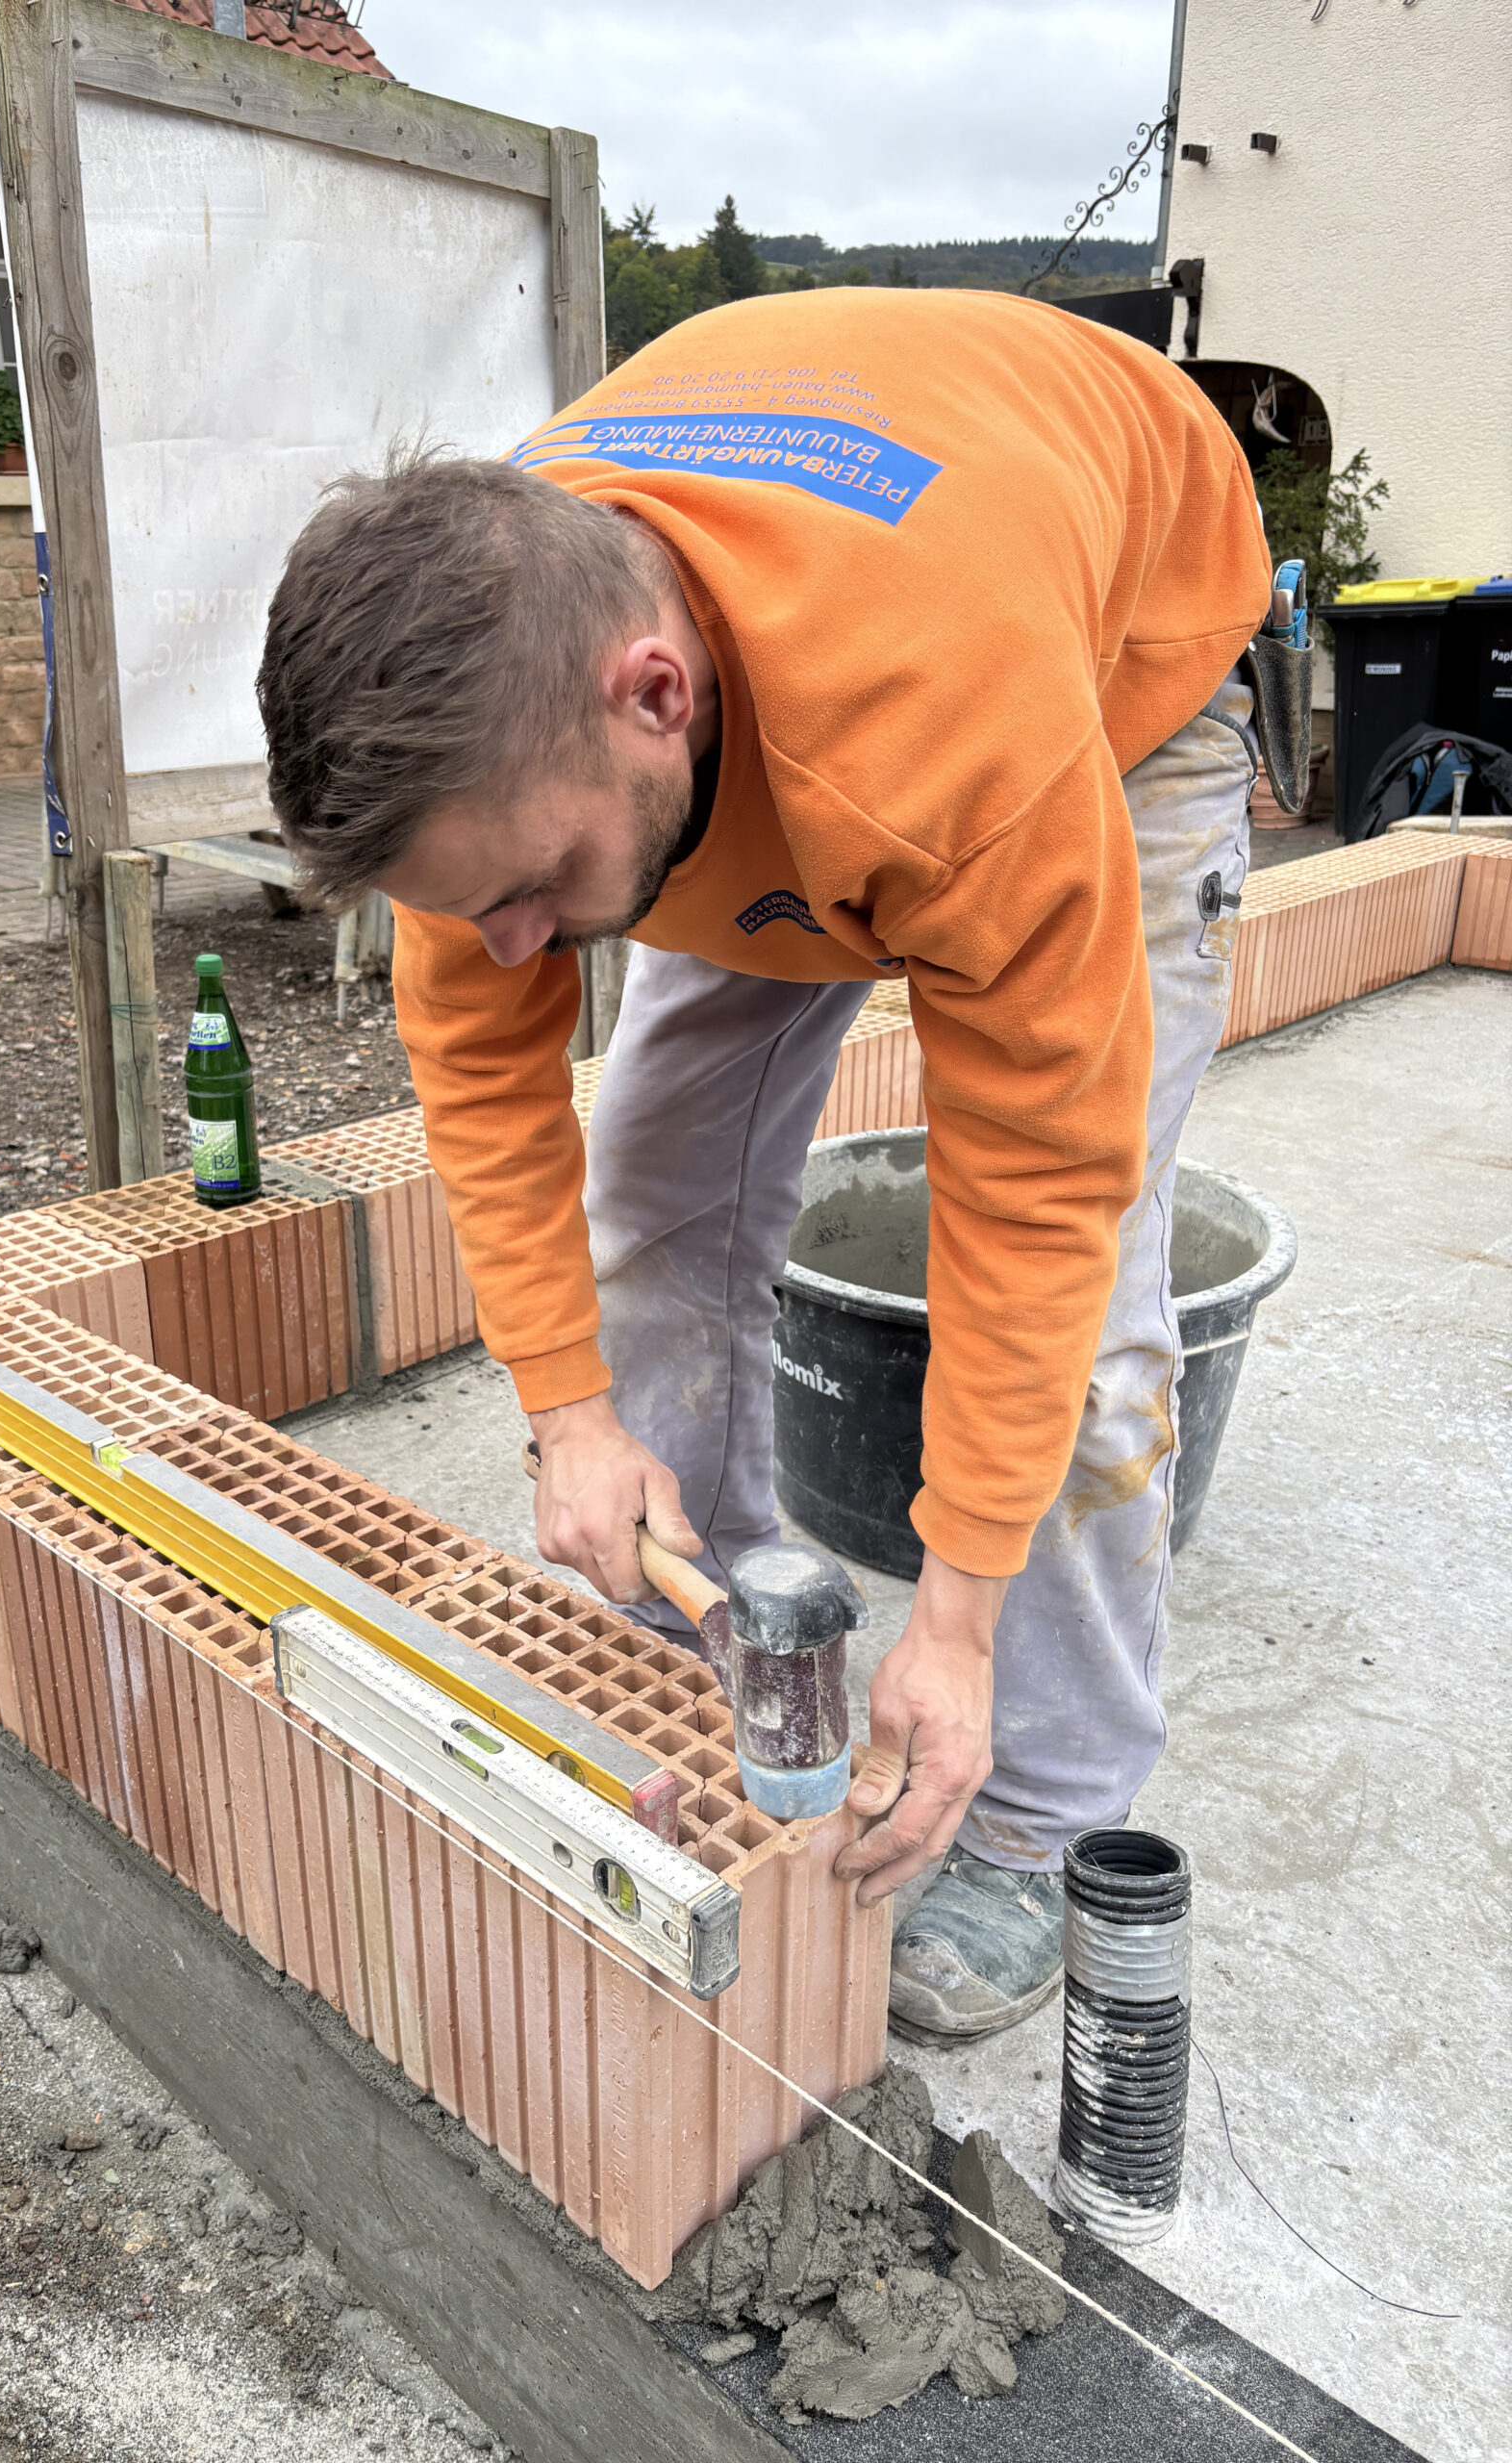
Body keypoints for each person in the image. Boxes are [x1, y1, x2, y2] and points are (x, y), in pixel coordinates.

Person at [257, 289, 1270, 2044]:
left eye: (530, 893)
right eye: (469, 904)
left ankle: (1033, 1812)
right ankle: (710, 1654)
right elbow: (489, 1080)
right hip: (763, 729)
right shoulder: (485, 736)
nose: (510, 948)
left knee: (1090, 1325)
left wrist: (948, 1623)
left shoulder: (937, 721)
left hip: (1107, 684)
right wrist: (570, 1419)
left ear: (655, 697)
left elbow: (1031, 1198)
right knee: (652, 1196)